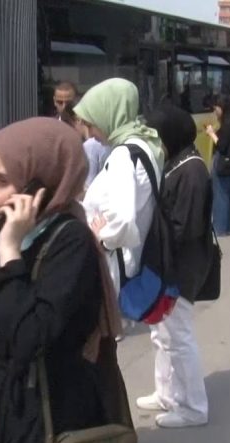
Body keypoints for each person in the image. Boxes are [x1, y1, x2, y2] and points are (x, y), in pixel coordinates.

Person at [0, 117, 130, 443]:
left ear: (38, 188)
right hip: (0, 404)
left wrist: (10, 253)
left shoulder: (70, 242)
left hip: (49, 413)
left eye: (0, 180)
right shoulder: (6, 234)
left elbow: (28, 338)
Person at [141, 105, 212, 428]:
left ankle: (193, 407)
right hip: (168, 264)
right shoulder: (177, 162)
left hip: (181, 267)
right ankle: (166, 393)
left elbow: (185, 227)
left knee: (178, 337)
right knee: (162, 334)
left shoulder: (192, 170)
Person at [74, 78, 164, 306]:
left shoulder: (123, 156)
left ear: (109, 114)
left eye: (92, 123)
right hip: (131, 262)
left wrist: (101, 240)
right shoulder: (143, 144)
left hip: (114, 268)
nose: (89, 134)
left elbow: (122, 219)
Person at [206, 95, 230, 234]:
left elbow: (222, 145)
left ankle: (220, 227)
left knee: (220, 195)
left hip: (223, 162)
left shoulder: (227, 124)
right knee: (227, 195)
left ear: (222, 108)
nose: (215, 111)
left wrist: (211, 134)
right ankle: (228, 226)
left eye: (216, 108)